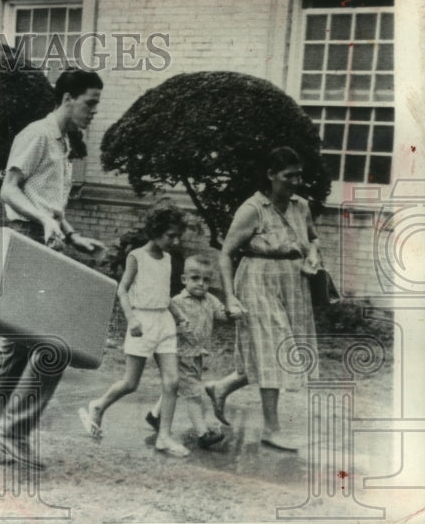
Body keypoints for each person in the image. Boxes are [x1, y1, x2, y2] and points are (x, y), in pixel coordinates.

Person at [0, 69, 105, 470]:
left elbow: (50, 206)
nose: (94, 111)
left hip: (43, 242)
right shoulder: (37, 135)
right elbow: (8, 189)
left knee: (23, 347)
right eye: (90, 102)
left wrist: (72, 236)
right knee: (45, 346)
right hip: (25, 241)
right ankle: (9, 436)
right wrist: (43, 222)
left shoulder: (64, 143)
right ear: (67, 98)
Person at [204, 146, 321, 452]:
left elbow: (312, 238)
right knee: (273, 348)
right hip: (257, 282)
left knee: (279, 351)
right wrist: (229, 297)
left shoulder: (301, 206)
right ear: (270, 175)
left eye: (298, 175)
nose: (294, 182)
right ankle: (271, 429)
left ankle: (221, 387)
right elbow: (227, 254)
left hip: (294, 283)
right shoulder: (253, 209)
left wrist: (313, 257)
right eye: (287, 176)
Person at [78, 205, 190, 457]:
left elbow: (163, 294)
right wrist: (131, 319)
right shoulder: (136, 257)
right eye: (170, 235)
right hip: (141, 322)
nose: (175, 240)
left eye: (177, 235)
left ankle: (164, 437)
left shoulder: (169, 258)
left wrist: (178, 315)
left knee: (172, 382)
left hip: (165, 323)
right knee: (131, 383)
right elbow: (122, 290)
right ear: (156, 232)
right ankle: (98, 406)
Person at [144, 254, 238, 449]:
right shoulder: (177, 302)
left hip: (196, 354)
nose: (201, 284)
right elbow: (165, 325)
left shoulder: (210, 299)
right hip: (180, 354)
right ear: (184, 279)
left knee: (178, 388)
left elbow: (221, 314)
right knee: (193, 393)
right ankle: (203, 433)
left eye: (206, 280)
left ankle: (154, 416)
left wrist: (232, 312)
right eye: (195, 278)